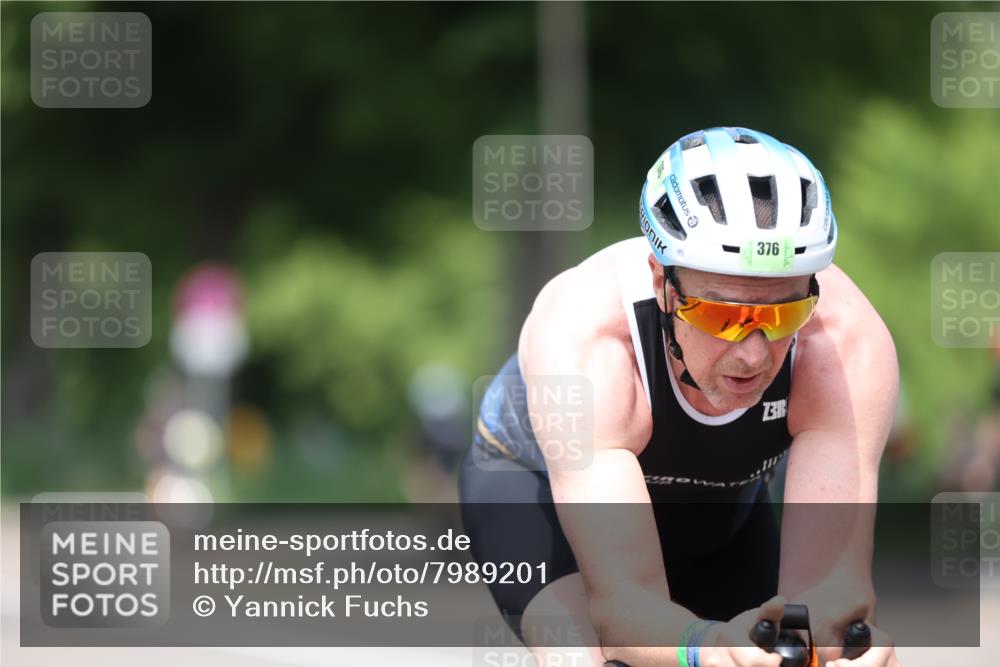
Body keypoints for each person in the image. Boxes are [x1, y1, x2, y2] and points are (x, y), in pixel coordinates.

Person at [459, 127, 902, 667]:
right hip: (536, 496)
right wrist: (708, 647)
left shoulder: (845, 345)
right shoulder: (588, 340)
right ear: (661, 282)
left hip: (722, 513)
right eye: (720, 315)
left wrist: (833, 645)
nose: (753, 355)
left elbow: (828, 600)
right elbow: (623, 612)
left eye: (782, 314)